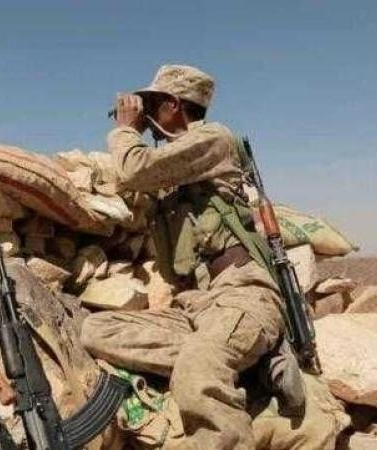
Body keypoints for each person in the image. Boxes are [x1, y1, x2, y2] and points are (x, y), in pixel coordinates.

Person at [81, 65, 286, 450]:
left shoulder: (213, 139)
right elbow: (130, 184)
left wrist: (126, 129)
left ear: (173, 104)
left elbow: (133, 169)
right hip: (195, 307)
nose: (145, 113)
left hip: (242, 295)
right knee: (96, 330)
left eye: (152, 104)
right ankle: (243, 361)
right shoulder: (174, 173)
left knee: (197, 368)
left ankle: (220, 366)